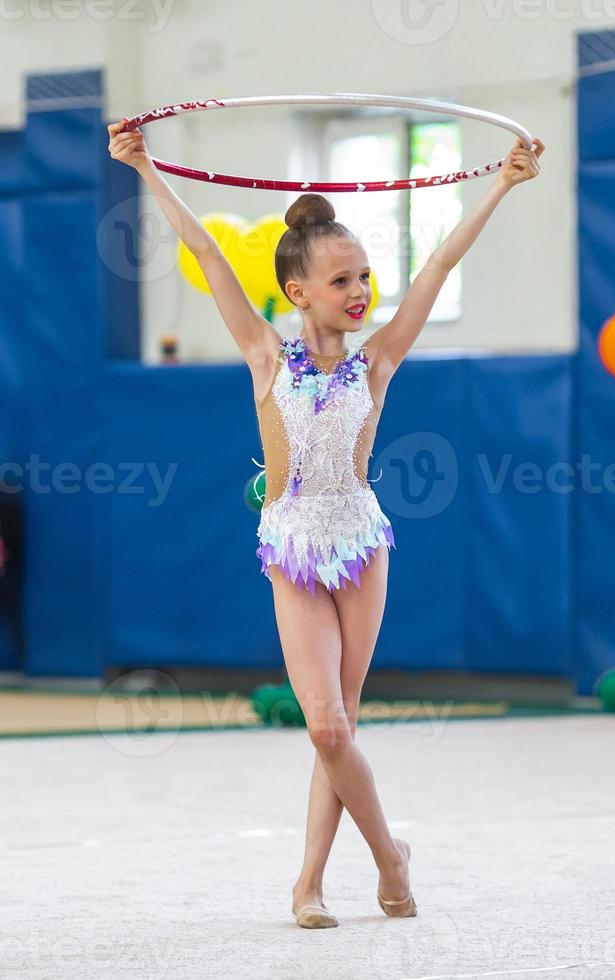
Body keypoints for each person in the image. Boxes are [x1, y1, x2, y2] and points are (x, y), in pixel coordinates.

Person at [108, 119, 545, 928]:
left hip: (361, 545)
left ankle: (308, 885)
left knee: (336, 728)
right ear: (298, 293)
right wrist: (141, 165)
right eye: (343, 280)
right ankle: (390, 856)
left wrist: (502, 185)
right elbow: (207, 254)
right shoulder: (265, 356)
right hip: (292, 544)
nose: (362, 291)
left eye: (366, 277)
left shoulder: (377, 360)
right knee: (325, 725)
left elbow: (442, 261)